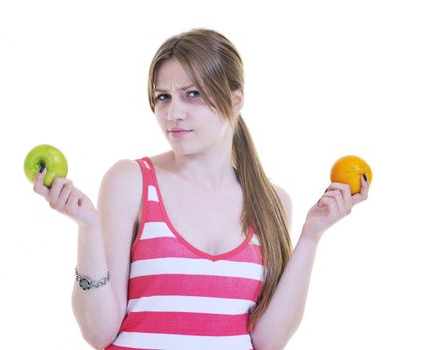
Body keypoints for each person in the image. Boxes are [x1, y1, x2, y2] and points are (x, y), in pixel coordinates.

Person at [33, 28, 369, 350]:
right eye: (163, 97)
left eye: (191, 94)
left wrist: (311, 236)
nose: (173, 113)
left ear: (235, 99)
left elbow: (268, 342)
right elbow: (99, 332)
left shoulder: (273, 201)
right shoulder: (130, 181)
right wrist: (88, 228)